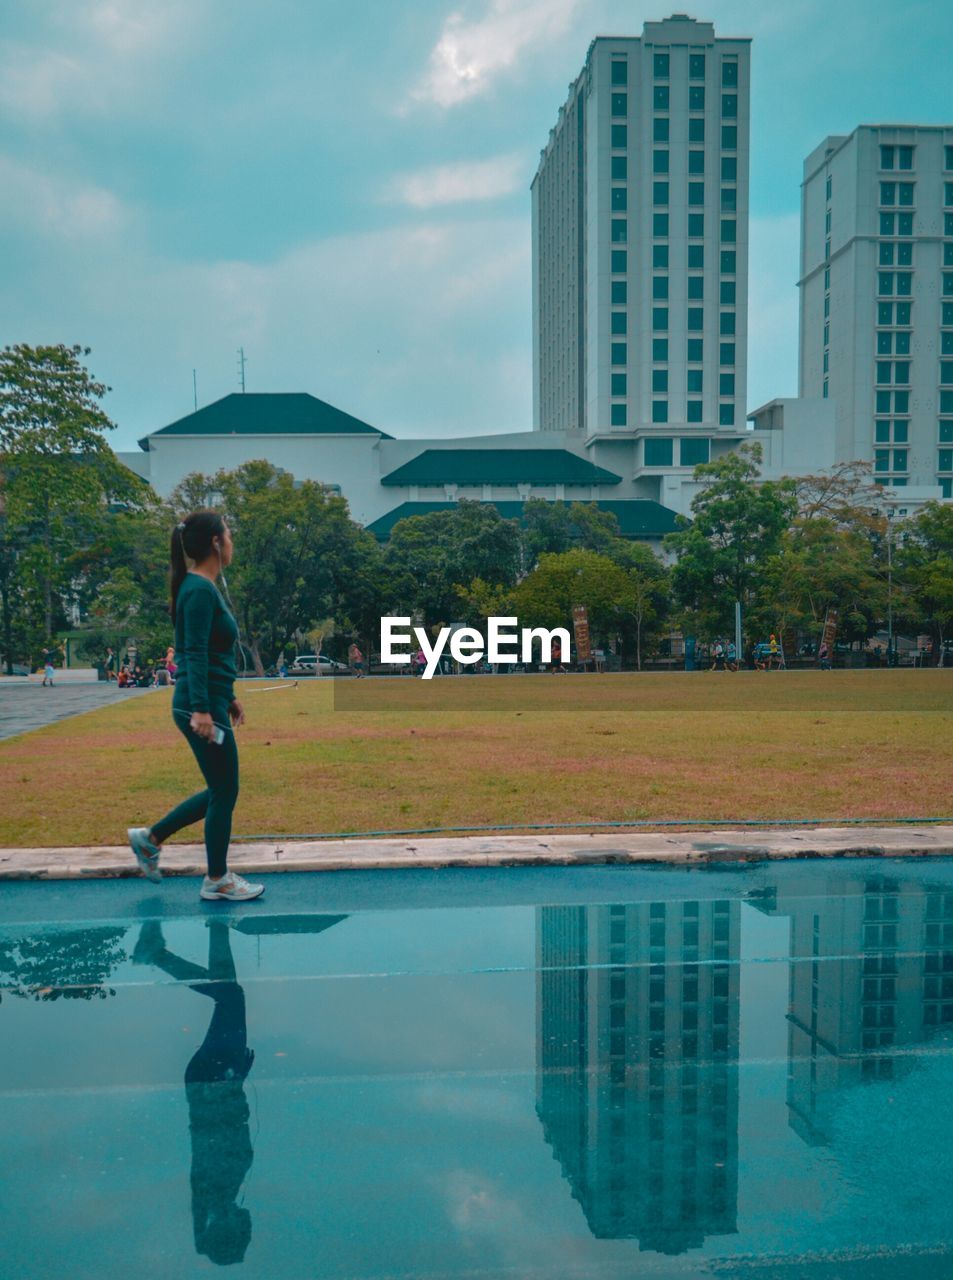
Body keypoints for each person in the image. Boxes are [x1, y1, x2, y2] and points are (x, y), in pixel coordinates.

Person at [127, 509, 264, 902]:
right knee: (225, 789)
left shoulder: (199, 587)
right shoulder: (200, 590)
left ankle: (151, 839)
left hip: (206, 701)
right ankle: (217, 878)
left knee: (223, 788)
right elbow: (194, 653)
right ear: (217, 543)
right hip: (196, 706)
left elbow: (209, 652)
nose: (232, 541)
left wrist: (227, 697)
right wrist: (204, 709)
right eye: (230, 534)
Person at [133, 919, 255, 1265]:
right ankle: (218, 933)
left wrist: (231, 1082)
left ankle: (157, 955)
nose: (245, 1220)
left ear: (226, 1227)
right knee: (228, 990)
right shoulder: (220, 1196)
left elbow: (213, 1131)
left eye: (241, 1229)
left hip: (216, 1082)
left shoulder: (213, 1194)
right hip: (220, 1083)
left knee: (230, 995)